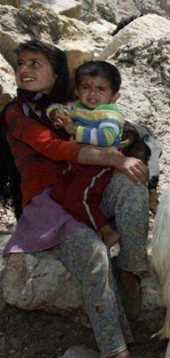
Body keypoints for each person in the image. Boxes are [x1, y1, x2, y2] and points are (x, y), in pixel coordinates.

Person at [1, 39, 153, 358]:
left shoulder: (72, 105)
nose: (24, 70)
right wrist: (113, 157)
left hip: (87, 189)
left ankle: (130, 269)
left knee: (132, 184)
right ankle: (115, 354)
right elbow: (54, 148)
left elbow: (123, 132)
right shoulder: (16, 114)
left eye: (34, 63)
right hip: (48, 205)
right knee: (93, 254)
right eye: (20, 64)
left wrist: (128, 154)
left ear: (55, 73)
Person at [47, 60, 124, 247]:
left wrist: (75, 130)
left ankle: (106, 231)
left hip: (99, 164)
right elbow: (60, 109)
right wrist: (56, 113)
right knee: (57, 193)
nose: (92, 94)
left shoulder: (109, 114)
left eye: (100, 89)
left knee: (79, 199)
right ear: (77, 91)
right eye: (86, 87)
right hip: (78, 162)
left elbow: (106, 137)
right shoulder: (79, 107)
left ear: (114, 96)